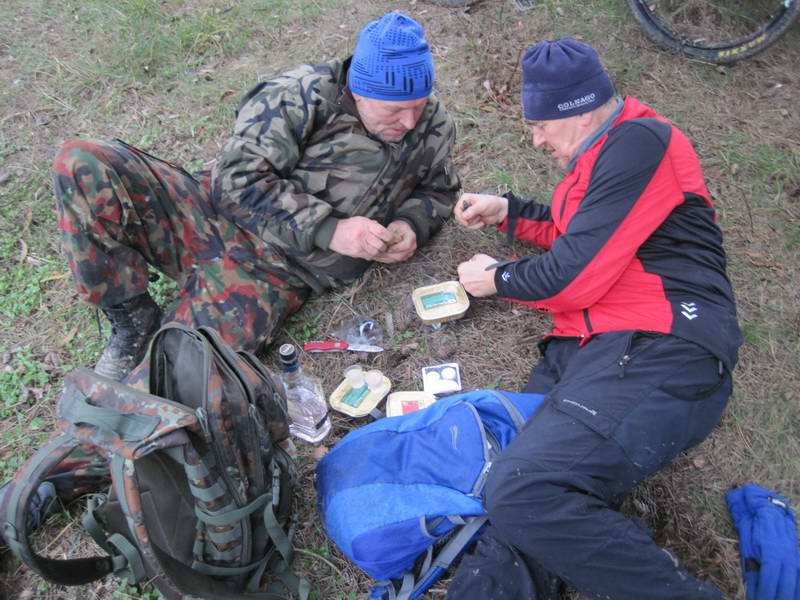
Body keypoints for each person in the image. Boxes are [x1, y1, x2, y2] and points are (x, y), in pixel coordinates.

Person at [450, 38, 742, 600]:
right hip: (589, 348)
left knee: (522, 491)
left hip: (663, 344)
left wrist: (500, 278)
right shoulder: (603, 157)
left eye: (540, 125)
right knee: (519, 494)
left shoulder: (640, 140)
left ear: (579, 111)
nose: (535, 138)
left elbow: (572, 272)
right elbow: (581, 234)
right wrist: (510, 211)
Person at [52, 11, 459, 381]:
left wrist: (410, 223)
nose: (408, 122)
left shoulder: (432, 125)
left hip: (275, 272)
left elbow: (439, 188)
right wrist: (329, 229)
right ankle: (132, 318)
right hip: (206, 214)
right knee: (83, 161)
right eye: (393, 111)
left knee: (172, 379)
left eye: (418, 107)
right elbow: (235, 181)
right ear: (359, 89)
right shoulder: (302, 95)